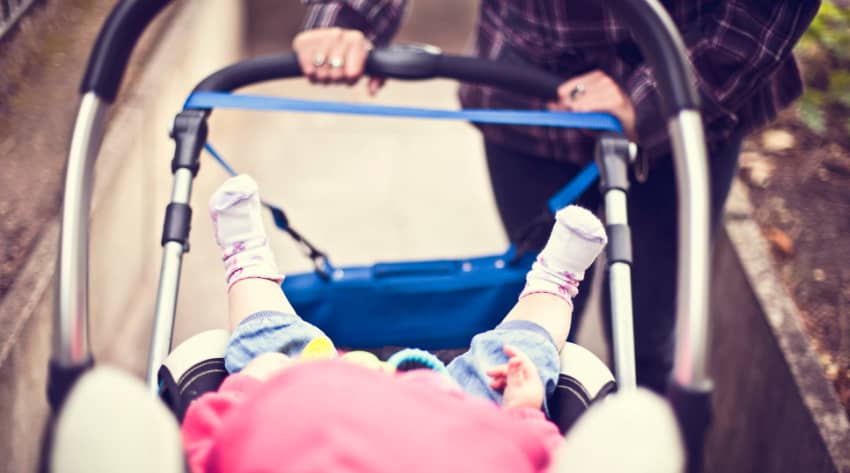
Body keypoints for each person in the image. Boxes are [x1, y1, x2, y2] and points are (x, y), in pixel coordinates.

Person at [292, 0, 821, 392]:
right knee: (542, 313)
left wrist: (654, 93)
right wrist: (347, 18)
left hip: (689, 96)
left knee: (649, 339)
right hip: (531, 95)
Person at [180, 174, 609, 473]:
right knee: (515, 356)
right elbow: (547, 463)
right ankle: (552, 286)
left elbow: (203, 448)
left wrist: (247, 389)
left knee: (270, 345)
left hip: (307, 404)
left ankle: (248, 267)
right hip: (458, 422)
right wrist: (523, 415)